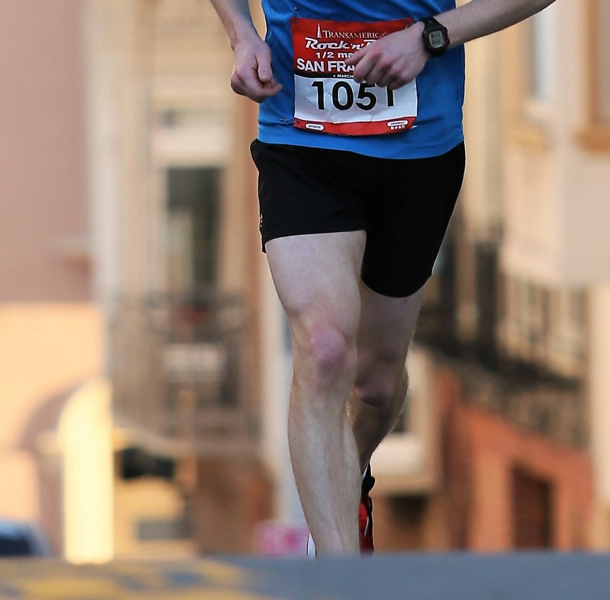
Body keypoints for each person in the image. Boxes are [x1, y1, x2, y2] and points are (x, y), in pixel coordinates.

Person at [207, 0, 557, 555]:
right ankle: (340, 570)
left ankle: (353, 471)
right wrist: (241, 34)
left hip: (418, 149)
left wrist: (429, 38)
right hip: (302, 140)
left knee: (374, 384)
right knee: (323, 348)